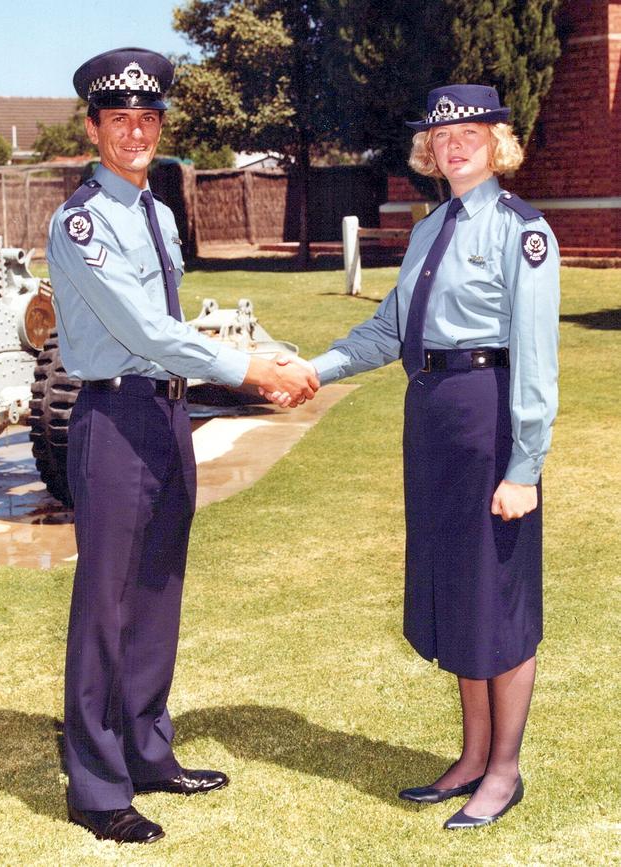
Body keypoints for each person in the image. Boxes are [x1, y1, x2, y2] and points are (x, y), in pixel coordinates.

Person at [47, 47, 319, 845]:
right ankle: (97, 787)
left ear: (160, 126)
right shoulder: (83, 220)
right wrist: (249, 370)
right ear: (94, 127)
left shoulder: (159, 215)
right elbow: (144, 331)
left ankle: (146, 749)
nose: (135, 131)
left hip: (169, 417)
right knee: (106, 603)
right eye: (119, 118)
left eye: (148, 118)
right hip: (113, 420)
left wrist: (236, 369)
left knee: (159, 589)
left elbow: (173, 338)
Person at [271, 84, 559, 829]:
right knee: (458, 586)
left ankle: (504, 769)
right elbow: (388, 330)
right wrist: (315, 368)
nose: (453, 143)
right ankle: (470, 754)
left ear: (496, 141)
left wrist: (525, 465)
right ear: (426, 149)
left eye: (469, 131)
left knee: (499, 592)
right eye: (440, 134)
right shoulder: (432, 229)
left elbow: (535, 356)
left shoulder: (521, 229)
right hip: (431, 417)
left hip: (487, 415)